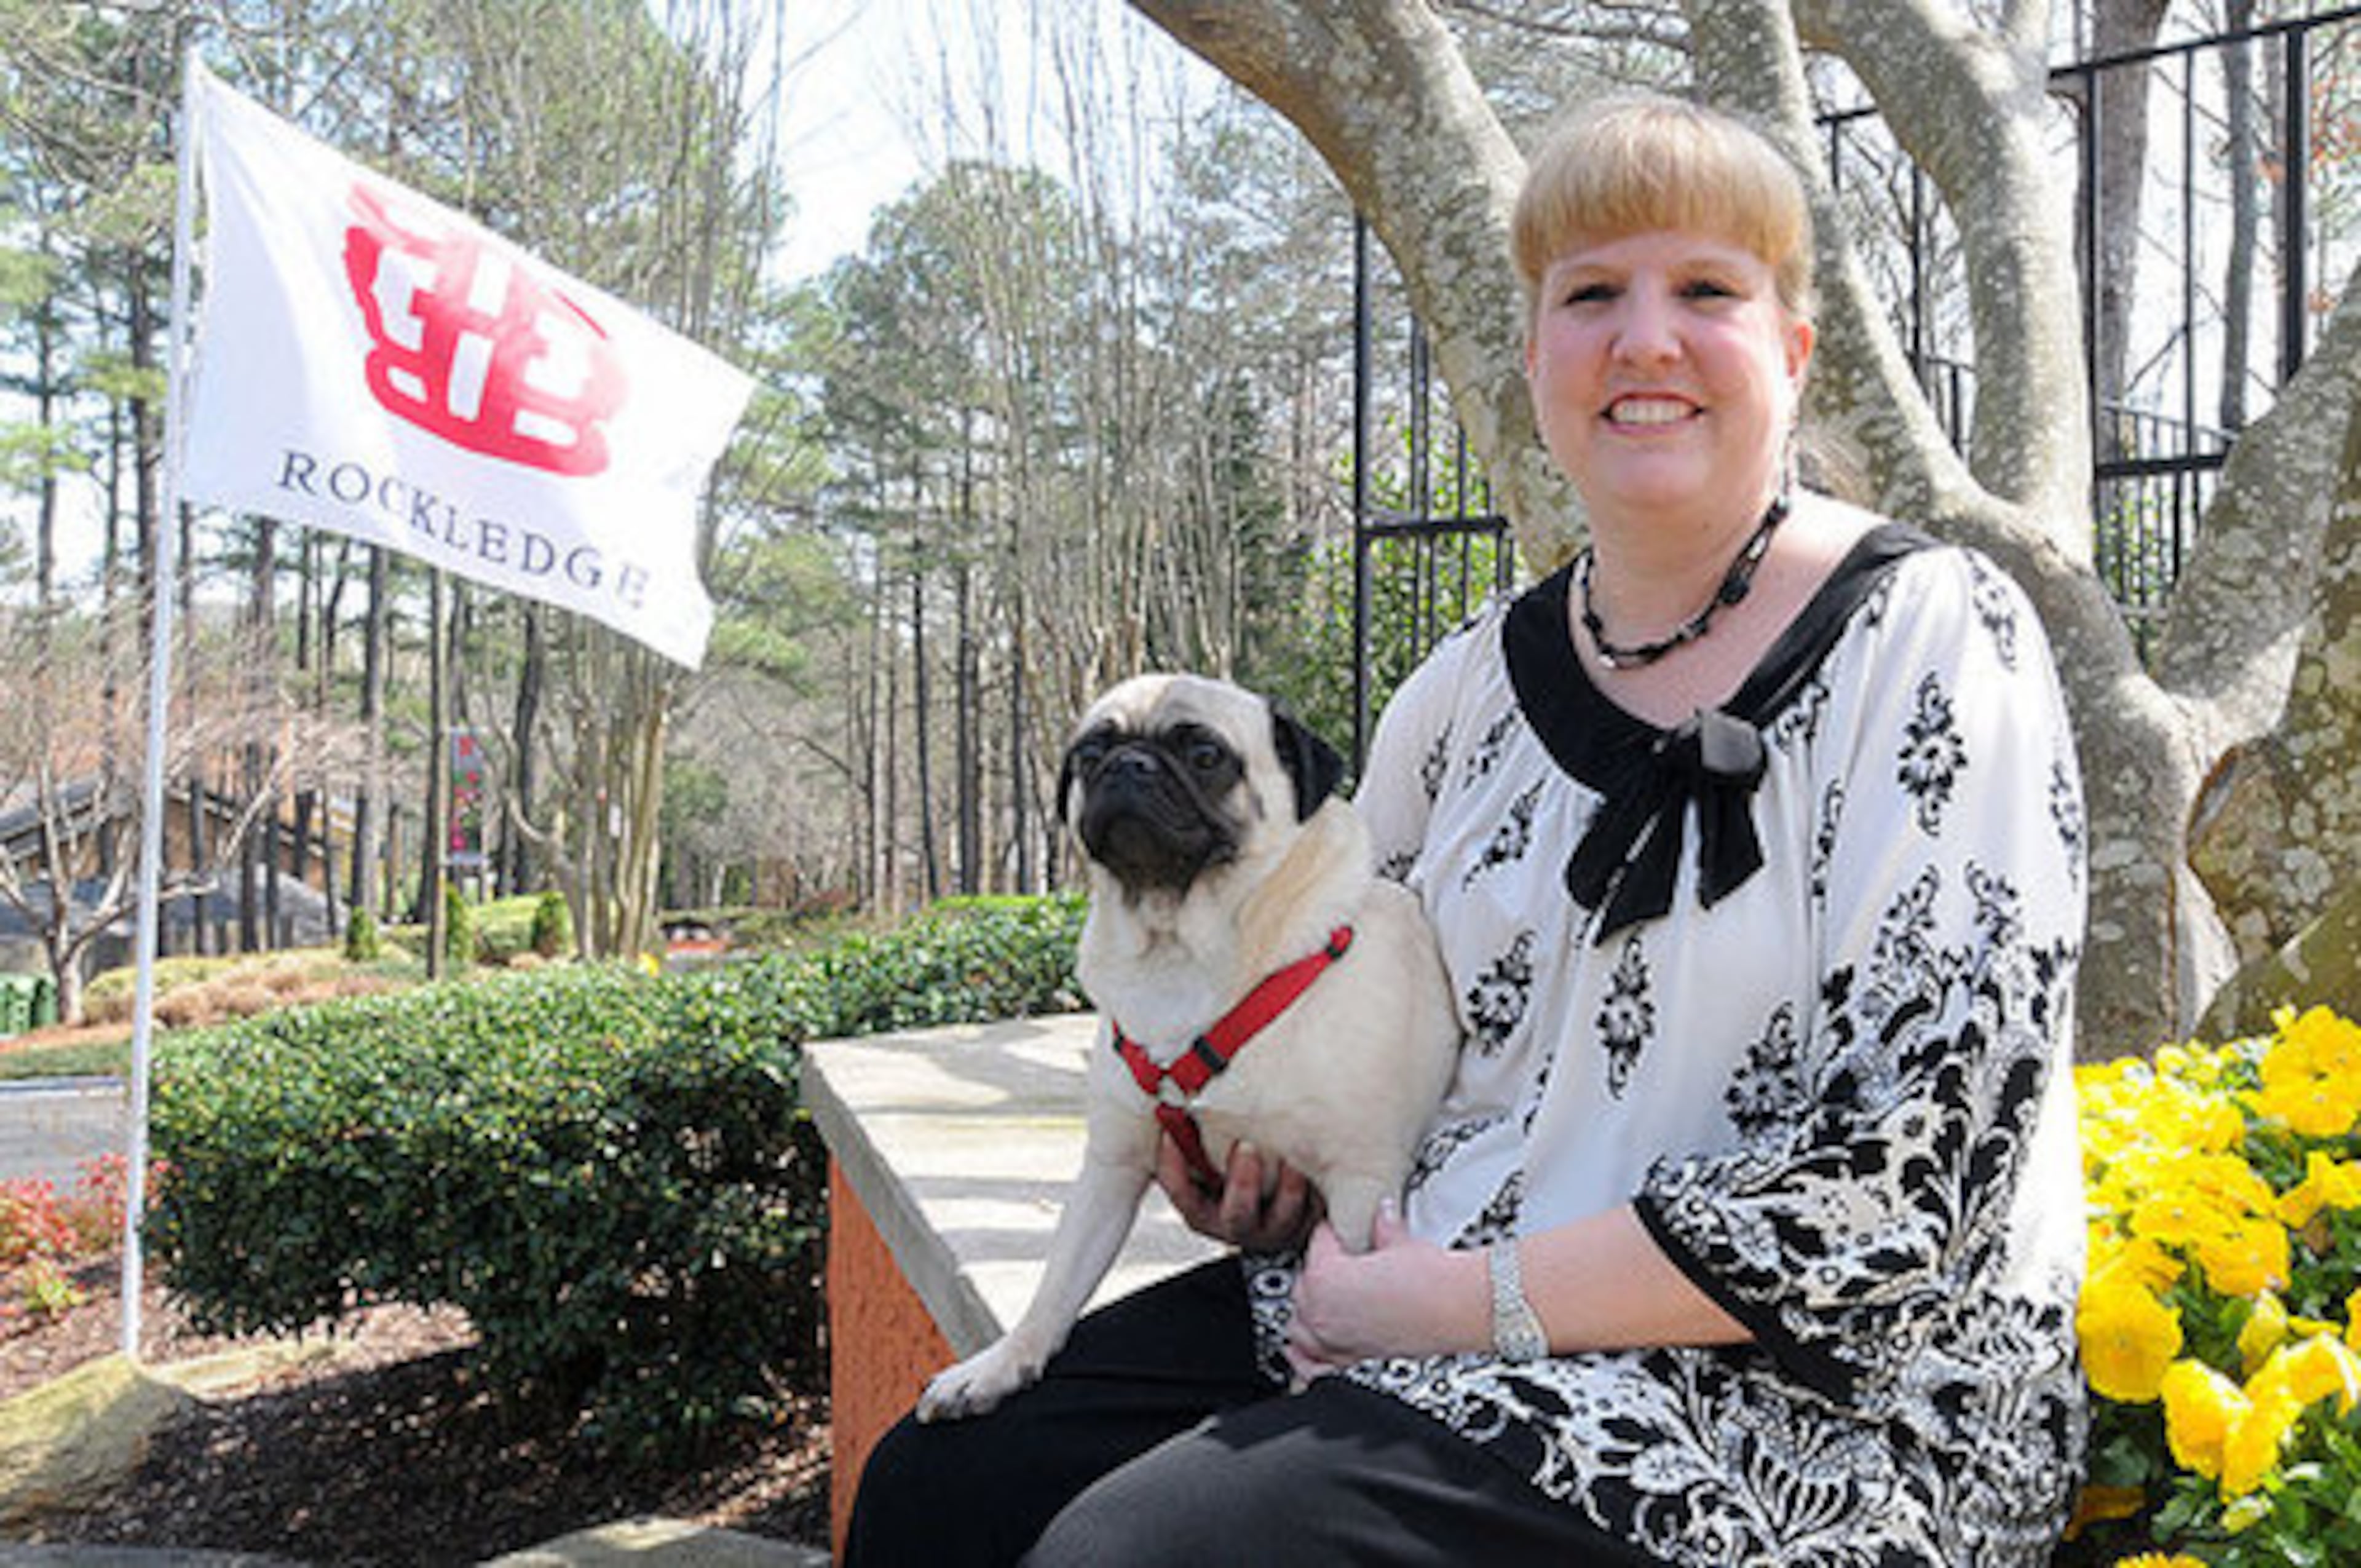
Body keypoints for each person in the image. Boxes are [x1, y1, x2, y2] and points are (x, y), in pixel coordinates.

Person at [845, 92, 2087, 1567]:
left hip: (1812, 1398)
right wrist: (1262, 1170)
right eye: (1591, 295)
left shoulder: (1933, 638)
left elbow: (1914, 1181)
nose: (1645, 339)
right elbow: (1378, 1039)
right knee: (946, 1494)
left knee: (1141, 1558)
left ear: (1794, 353)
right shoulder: (1464, 690)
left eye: (1706, 289)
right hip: (1418, 1299)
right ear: (1535, 357)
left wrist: (1460, 1303)